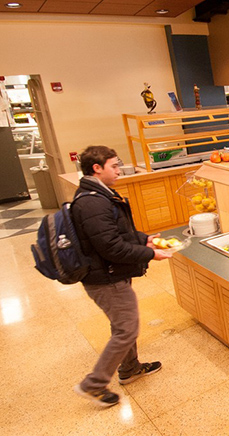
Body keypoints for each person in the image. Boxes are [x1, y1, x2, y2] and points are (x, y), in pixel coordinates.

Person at [71, 146, 171, 408]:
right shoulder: (92, 201)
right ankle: (93, 384)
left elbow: (116, 232)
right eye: (114, 166)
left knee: (122, 325)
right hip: (105, 277)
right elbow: (111, 247)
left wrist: (143, 238)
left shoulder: (98, 194)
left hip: (109, 273)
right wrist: (149, 254)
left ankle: (130, 368)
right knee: (126, 329)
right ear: (97, 168)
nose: (118, 171)